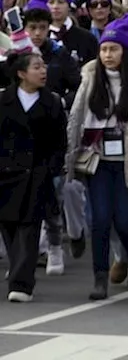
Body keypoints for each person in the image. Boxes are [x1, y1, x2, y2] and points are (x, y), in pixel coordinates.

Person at [65, 20, 128, 300]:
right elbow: (75, 119)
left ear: (124, 52)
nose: (108, 54)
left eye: (114, 49)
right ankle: (99, 278)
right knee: (99, 220)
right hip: (97, 160)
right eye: (104, 49)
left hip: (127, 161)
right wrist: (70, 159)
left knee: (124, 221)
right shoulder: (89, 77)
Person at [0, 52, 67, 303]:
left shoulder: (51, 103)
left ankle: (21, 283)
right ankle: (18, 269)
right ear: (21, 73)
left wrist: (52, 167)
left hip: (37, 175)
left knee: (29, 228)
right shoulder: (4, 100)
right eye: (37, 67)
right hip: (6, 175)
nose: (43, 71)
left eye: (44, 66)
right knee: (9, 227)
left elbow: (60, 141)